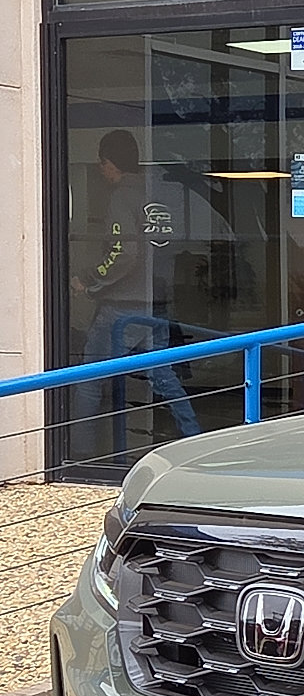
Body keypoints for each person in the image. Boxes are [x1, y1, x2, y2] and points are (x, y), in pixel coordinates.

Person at [70, 129, 200, 461]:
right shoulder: (158, 196)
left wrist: (89, 280)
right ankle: (195, 440)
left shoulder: (120, 199)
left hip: (121, 308)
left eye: (102, 164)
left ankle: (80, 458)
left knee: (86, 380)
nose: (101, 170)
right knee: (163, 376)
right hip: (154, 303)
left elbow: (122, 252)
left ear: (109, 163)